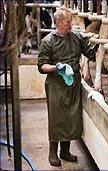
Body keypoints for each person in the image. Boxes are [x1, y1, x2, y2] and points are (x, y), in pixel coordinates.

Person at [37, 7, 97, 166]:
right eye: (67, 21)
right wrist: (57, 68)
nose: (70, 24)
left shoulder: (76, 38)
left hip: (73, 83)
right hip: (56, 84)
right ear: (57, 23)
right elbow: (41, 66)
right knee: (57, 118)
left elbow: (91, 53)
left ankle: (65, 151)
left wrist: (101, 42)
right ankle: (52, 153)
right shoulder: (48, 41)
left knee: (71, 117)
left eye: (70, 21)